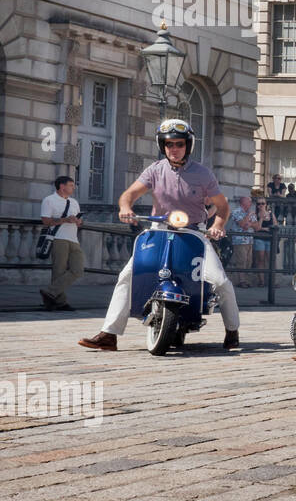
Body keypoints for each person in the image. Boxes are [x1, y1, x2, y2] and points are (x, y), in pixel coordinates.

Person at [78, 118, 240, 351]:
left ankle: (232, 330)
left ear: (188, 145)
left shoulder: (203, 174)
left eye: (179, 144)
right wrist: (125, 208)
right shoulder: (154, 170)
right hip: (159, 230)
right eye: (169, 144)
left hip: (193, 232)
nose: (174, 149)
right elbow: (129, 195)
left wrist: (218, 225)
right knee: (127, 275)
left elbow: (222, 207)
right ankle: (109, 334)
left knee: (220, 281)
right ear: (162, 146)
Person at [39, 175, 83, 311]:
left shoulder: (74, 202)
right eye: (71, 185)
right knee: (58, 271)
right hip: (58, 238)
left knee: (78, 269)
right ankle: (61, 302)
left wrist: (78, 221)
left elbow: (79, 222)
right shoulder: (49, 200)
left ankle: (50, 292)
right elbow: (45, 221)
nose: (73, 187)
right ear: (62, 186)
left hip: (73, 239)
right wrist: (65, 220)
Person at [230, 195, 256, 287]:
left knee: (249, 261)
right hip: (240, 241)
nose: (251, 203)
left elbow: (257, 226)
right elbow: (242, 224)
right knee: (241, 260)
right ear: (243, 202)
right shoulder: (236, 212)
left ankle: (246, 280)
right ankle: (241, 281)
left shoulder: (250, 212)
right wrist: (248, 217)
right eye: (249, 201)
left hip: (249, 240)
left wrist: (250, 224)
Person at [252, 196, 277, 286]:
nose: (261, 205)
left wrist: (265, 228)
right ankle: (261, 281)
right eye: (259, 204)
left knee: (270, 260)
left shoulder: (271, 215)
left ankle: (271, 281)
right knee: (260, 260)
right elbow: (257, 228)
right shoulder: (255, 215)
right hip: (259, 239)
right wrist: (261, 219)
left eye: (263, 203)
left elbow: (275, 227)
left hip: (269, 239)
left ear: (266, 204)